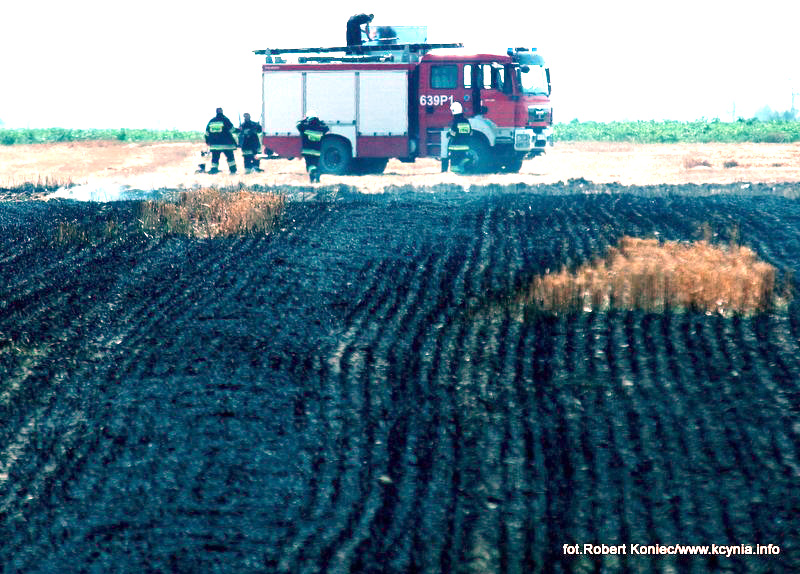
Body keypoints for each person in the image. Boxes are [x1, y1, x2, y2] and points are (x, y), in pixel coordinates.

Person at [296, 111, 328, 183]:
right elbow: (327, 128)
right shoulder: (321, 128)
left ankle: (311, 179)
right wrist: (320, 122)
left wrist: (304, 119)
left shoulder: (304, 127)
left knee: (309, 165)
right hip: (317, 151)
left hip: (307, 151)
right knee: (316, 164)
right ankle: (317, 177)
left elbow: (297, 124)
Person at [204, 107, 237, 174]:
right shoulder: (225, 120)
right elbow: (232, 130)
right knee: (230, 157)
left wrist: (207, 141)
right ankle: (233, 171)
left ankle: (214, 170)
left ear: (216, 112)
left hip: (214, 145)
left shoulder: (211, 121)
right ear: (222, 111)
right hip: (226, 144)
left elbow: (207, 133)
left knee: (215, 158)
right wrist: (239, 130)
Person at [446, 101, 473, 173]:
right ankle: (465, 165)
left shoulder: (456, 121)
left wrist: (448, 134)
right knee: (462, 158)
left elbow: (453, 134)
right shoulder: (466, 121)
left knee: (454, 164)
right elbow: (470, 132)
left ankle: (456, 171)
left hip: (456, 147)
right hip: (465, 146)